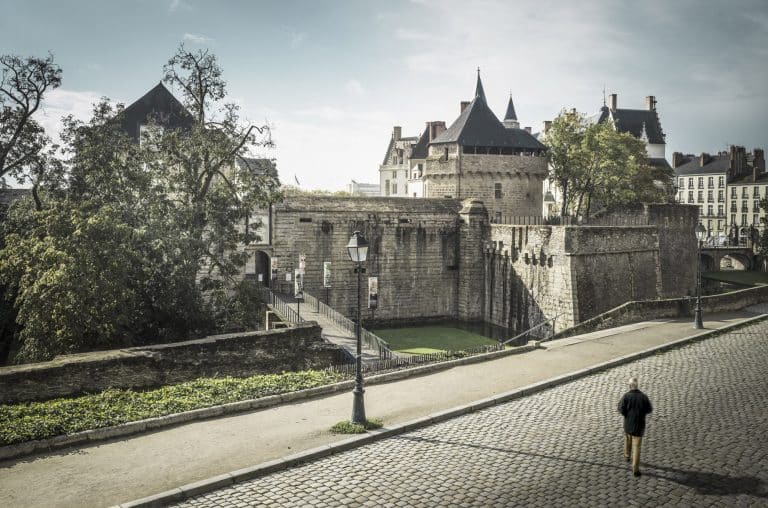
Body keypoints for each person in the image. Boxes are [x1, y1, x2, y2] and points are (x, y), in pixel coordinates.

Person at [618, 377, 653, 477]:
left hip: (628, 424)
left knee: (628, 439)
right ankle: (635, 469)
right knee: (637, 447)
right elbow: (649, 409)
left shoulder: (626, 396)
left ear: (630, 386)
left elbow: (620, 408)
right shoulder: (643, 397)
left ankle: (627, 455)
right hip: (639, 425)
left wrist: (627, 414)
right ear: (637, 386)